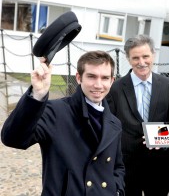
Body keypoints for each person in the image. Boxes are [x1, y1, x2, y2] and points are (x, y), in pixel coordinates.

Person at [1, 51, 125, 196]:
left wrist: (117, 190)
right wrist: (37, 95)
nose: (98, 85)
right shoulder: (55, 111)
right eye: (91, 76)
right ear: (79, 78)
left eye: (104, 78)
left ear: (112, 81)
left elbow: (118, 166)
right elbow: (13, 139)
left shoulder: (114, 123)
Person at [106, 34, 169, 196]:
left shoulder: (168, 85)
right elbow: (109, 125)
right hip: (127, 163)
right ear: (128, 59)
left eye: (146, 56)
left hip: (159, 163)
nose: (142, 62)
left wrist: (163, 141)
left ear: (153, 55)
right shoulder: (115, 88)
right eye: (135, 58)